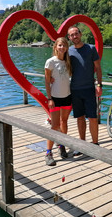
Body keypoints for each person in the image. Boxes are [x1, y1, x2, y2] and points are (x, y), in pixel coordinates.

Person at [67, 26, 102, 156]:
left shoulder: (91, 48)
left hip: (89, 89)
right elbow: (61, 66)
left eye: (76, 33)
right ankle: (82, 145)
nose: (74, 36)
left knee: (92, 117)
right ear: (69, 38)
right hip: (75, 89)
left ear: (80, 34)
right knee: (80, 118)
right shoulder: (68, 51)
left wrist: (99, 84)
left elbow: (98, 68)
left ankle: (95, 144)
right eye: (72, 35)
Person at [44, 37, 73, 166]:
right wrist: (49, 98)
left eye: (64, 45)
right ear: (55, 47)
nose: (62, 48)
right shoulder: (50, 62)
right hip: (55, 98)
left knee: (64, 122)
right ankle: (48, 152)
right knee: (55, 126)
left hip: (67, 96)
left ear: (67, 48)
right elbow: (46, 81)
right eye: (60, 45)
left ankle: (61, 145)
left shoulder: (69, 62)